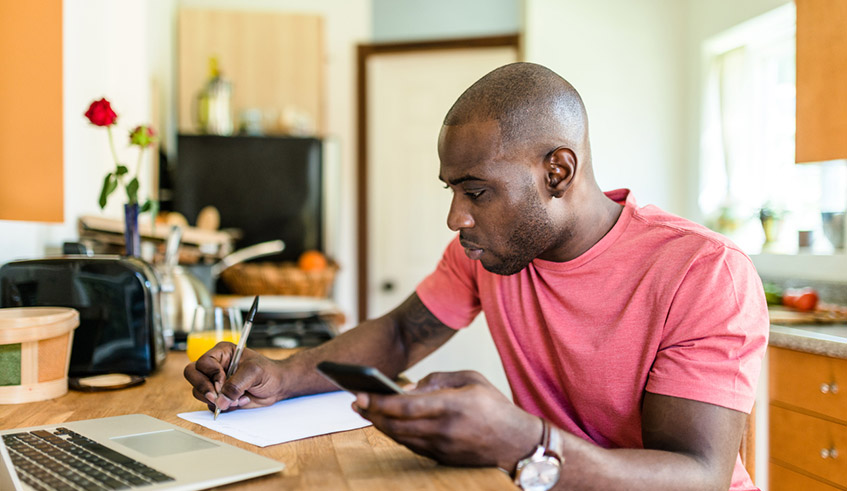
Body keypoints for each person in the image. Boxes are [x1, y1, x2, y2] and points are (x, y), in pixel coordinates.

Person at [185, 62, 768, 491]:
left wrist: (523, 441)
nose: (456, 217)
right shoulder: (491, 247)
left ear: (558, 171)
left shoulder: (703, 272)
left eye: (477, 191)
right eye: (454, 190)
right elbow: (403, 335)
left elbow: (698, 475)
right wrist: (282, 375)